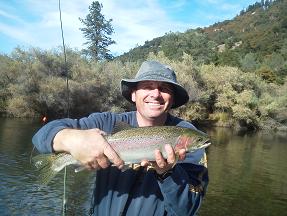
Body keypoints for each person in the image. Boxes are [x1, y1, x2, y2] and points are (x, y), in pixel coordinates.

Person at [32, 60, 208, 216]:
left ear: (173, 99)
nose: (155, 94)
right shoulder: (107, 122)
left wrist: (168, 173)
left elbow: (188, 209)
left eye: (164, 88)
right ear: (133, 94)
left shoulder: (188, 135)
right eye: (147, 86)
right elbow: (41, 136)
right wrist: (73, 140)